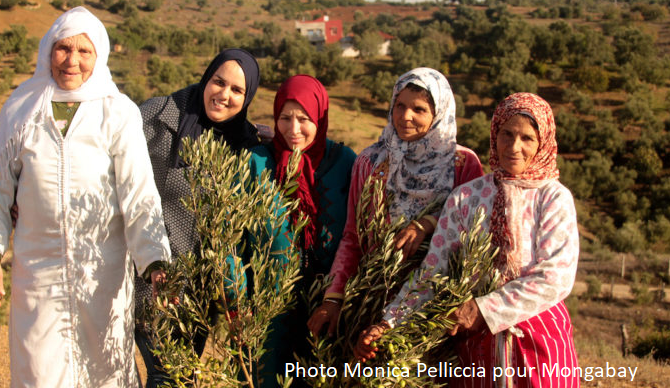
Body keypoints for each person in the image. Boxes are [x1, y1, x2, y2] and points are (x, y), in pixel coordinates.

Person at [0, 7, 171, 387]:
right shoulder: (21, 109)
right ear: (48, 50)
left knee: (105, 369)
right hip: (37, 269)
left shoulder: (117, 112)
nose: (72, 61)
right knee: (39, 370)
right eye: (64, 48)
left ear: (99, 57)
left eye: (85, 52)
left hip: (103, 270)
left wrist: (154, 261)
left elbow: (138, 193)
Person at [355, 92, 580, 388]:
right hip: (478, 347)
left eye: (527, 138)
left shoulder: (553, 198)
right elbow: (434, 272)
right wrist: (389, 323)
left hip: (539, 343)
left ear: (543, 144)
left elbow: (555, 277)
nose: (514, 147)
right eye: (506, 134)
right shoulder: (467, 197)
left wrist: (484, 309)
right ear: (494, 134)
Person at [307, 67, 484, 337]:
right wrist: (333, 298)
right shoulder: (371, 162)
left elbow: (472, 233)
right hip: (372, 301)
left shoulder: (462, 165)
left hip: (434, 311)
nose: (404, 117)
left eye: (419, 109)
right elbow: (353, 237)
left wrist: (428, 223)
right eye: (399, 105)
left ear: (439, 113)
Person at [135, 48, 264, 387]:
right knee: (169, 378)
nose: (224, 94)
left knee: (183, 378)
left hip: (199, 291)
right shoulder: (158, 115)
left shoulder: (243, 142)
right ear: (206, 78)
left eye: (237, 90)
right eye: (218, 82)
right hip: (150, 279)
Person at [242, 74, 356, 387]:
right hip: (269, 306)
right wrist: (236, 297)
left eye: (304, 119)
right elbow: (234, 239)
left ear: (320, 117)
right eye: (285, 118)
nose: (293, 130)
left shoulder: (344, 162)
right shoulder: (258, 163)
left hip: (326, 306)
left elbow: (357, 232)